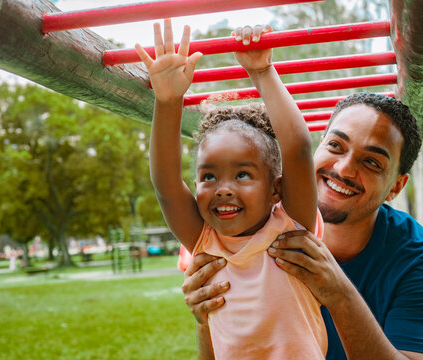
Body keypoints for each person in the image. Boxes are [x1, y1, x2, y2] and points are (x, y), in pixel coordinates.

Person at [182, 91, 423, 359]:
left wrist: (339, 294)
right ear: (320, 146)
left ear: (396, 187)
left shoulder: (417, 258)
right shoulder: (252, 223)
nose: (344, 170)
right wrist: (208, 318)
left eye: (371, 162)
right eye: (336, 145)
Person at [135, 21, 327, 359]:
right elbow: (165, 185)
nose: (223, 189)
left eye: (242, 175)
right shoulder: (205, 241)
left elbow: (297, 149)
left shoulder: (291, 228)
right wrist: (168, 100)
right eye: (209, 177)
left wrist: (262, 71)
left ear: (275, 189)